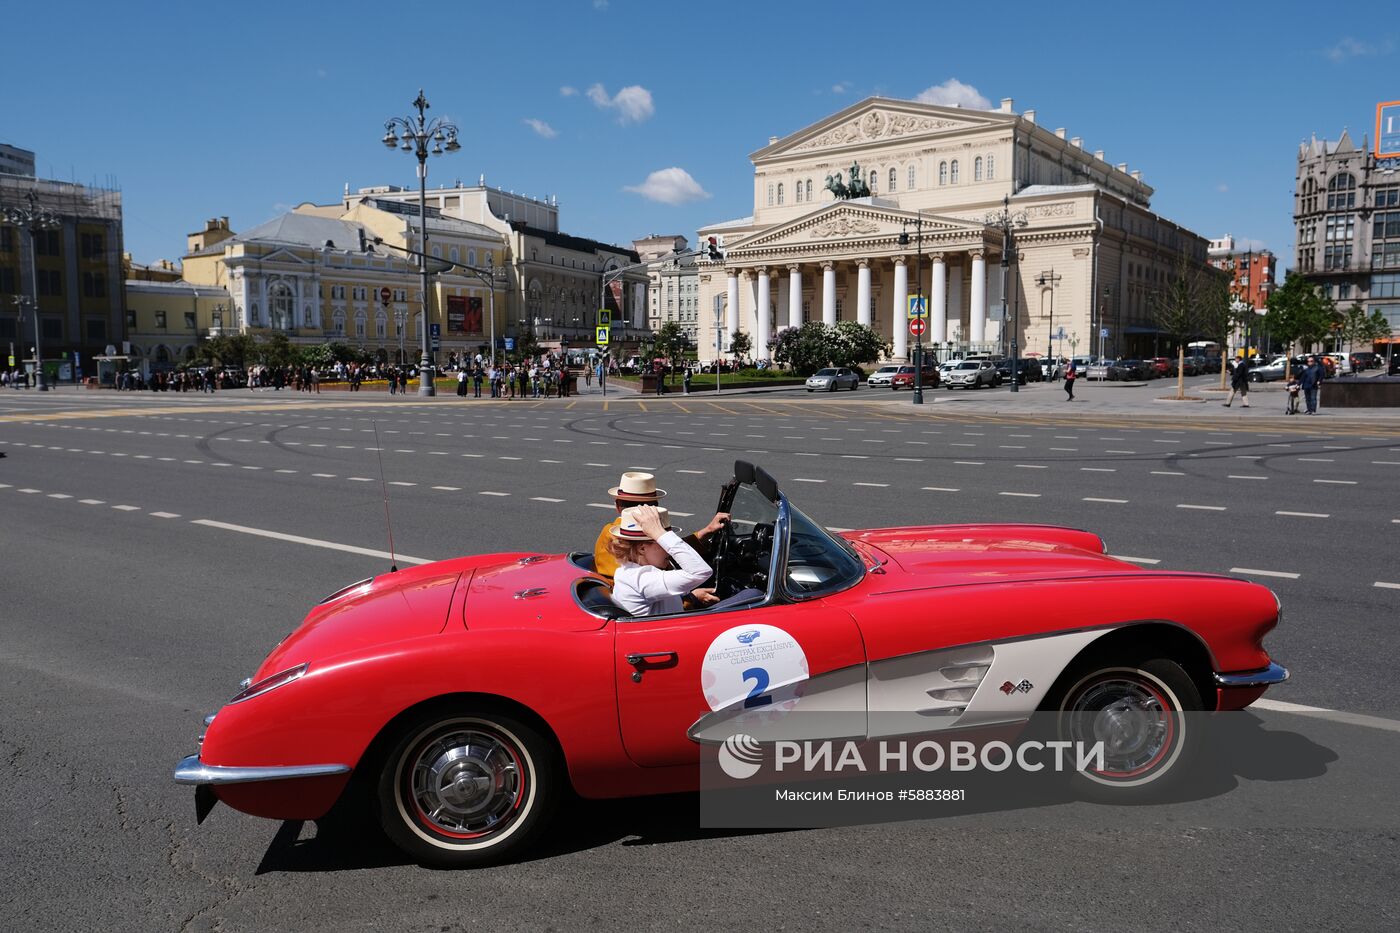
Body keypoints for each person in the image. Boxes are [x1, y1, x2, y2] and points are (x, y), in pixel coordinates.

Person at [593, 471, 728, 582]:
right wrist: (689, 597)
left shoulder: (612, 532)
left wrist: (705, 532)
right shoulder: (617, 537)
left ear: (617, 506)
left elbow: (668, 549)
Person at [608, 506, 718, 617]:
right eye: (661, 541)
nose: (668, 550)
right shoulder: (640, 578)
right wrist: (658, 532)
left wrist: (692, 597)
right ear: (642, 548)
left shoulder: (631, 573)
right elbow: (701, 571)